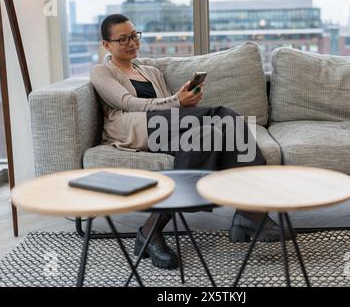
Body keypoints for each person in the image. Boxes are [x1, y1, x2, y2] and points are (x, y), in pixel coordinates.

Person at [90, 14, 290, 270]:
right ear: (106, 44)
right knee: (224, 114)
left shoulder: (149, 71)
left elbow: (169, 109)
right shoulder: (101, 71)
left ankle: (150, 231)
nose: (131, 43)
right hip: (135, 129)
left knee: (209, 135)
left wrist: (185, 103)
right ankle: (253, 210)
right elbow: (127, 103)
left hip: (165, 127)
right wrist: (177, 103)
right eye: (122, 39)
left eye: (134, 35)